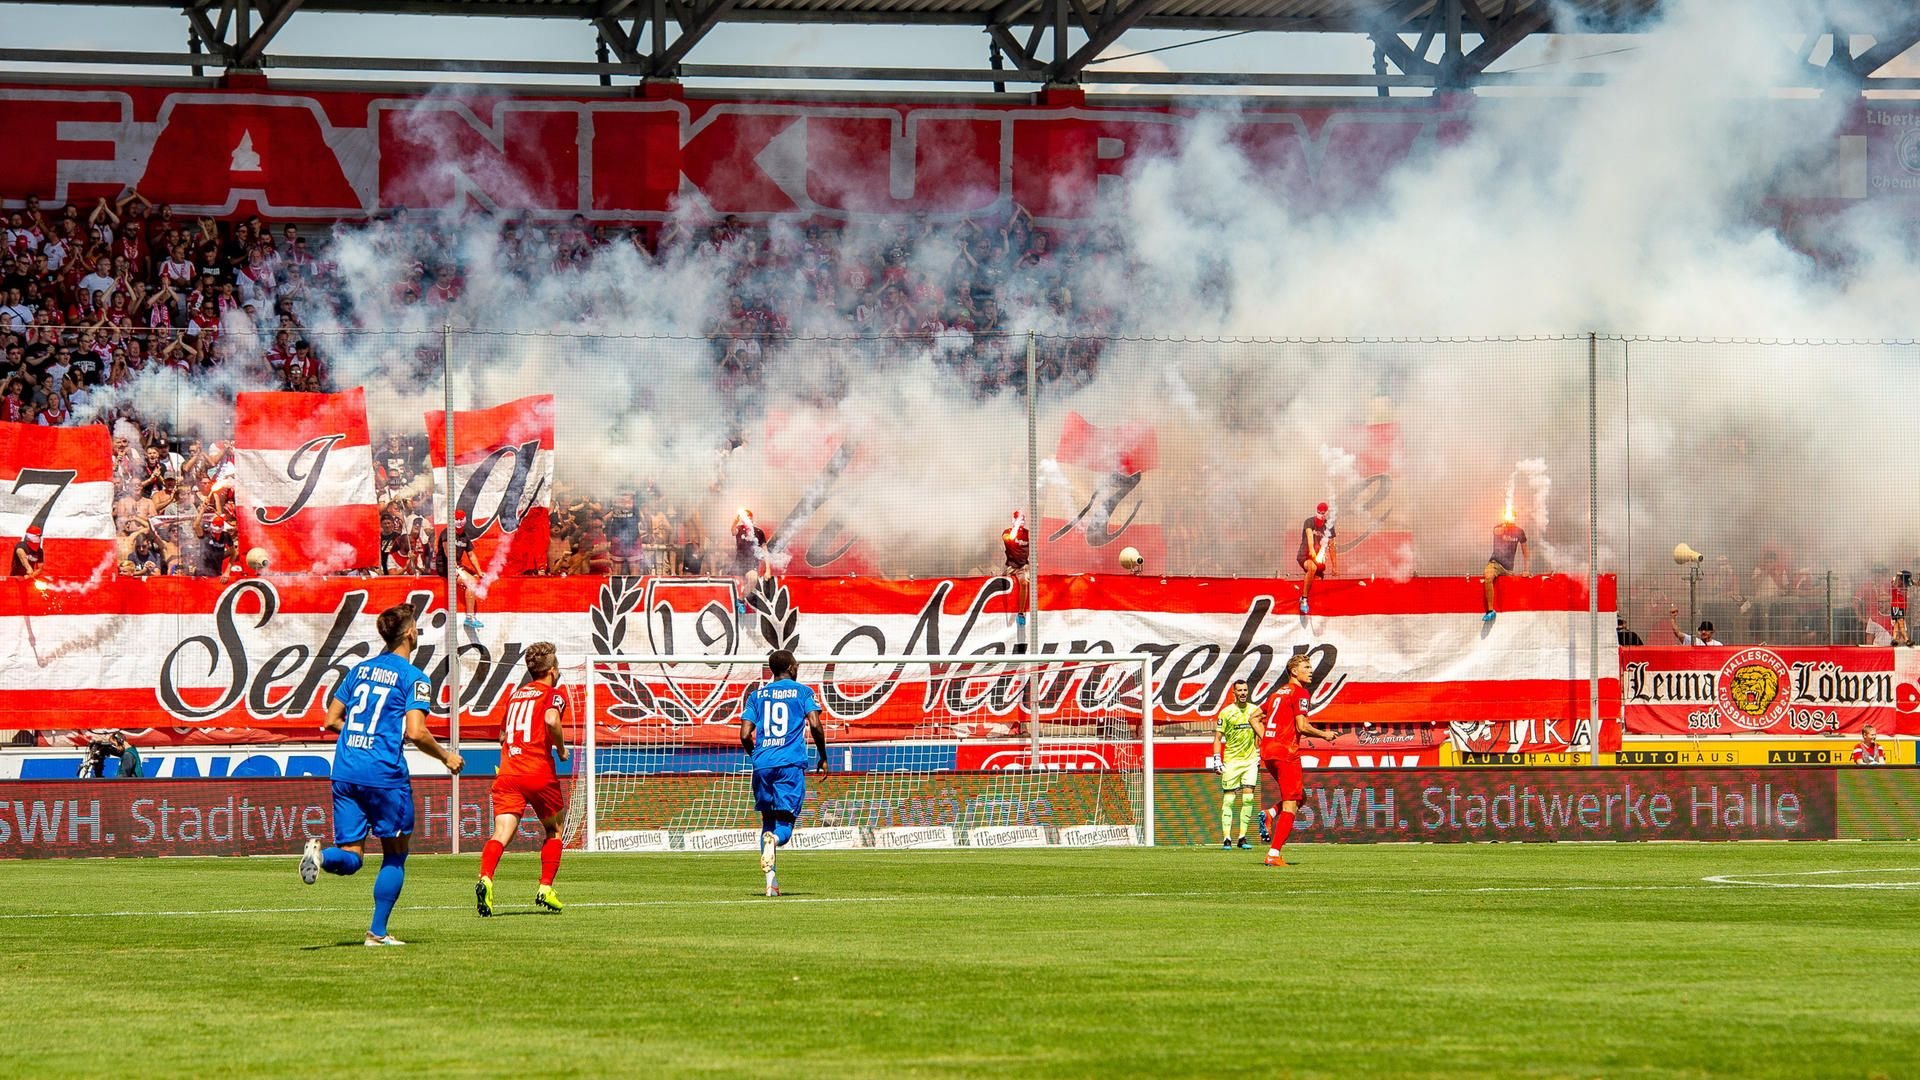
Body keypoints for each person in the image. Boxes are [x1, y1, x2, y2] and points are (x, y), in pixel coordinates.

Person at [299, 603, 464, 947]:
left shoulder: (359, 670)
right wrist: (446, 756)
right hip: (383, 774)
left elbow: (331, 720)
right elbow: (417, 733)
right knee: (395, 854)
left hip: (344, 769)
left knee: (352, 857)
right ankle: (376, 932)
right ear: (408, 633)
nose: (417, 631)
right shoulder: (414, 678)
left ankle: (321, 855)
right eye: (416, 627)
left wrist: (363, 734)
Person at [476, 642, 570, 917]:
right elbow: (552, 720)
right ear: (552, 670)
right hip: (537, 771)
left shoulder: (515, 695)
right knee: (554, 830)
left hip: (508, 773)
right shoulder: (553, 694)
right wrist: (561, 749)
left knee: (501, 834)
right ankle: (545, 888)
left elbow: (503, 736)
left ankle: (486, 879)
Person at [739, 649, 828, 897]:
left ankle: (771, 883)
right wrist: (822, 756)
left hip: (763, 764)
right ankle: (775, 841)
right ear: (790, 667)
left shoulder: (756, 696)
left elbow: (745, 734)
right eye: (796, 664)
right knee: (784, 826)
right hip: (790, 764)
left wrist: (756, 756)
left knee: (767, 823)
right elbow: (815, 724)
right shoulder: (802, 692)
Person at [1259, 652, 1340, 868]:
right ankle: (1273, 854)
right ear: (1294, 671)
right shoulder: (1300, 692)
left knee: (1298, 796)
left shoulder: (1277, 694)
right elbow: (1301, 726)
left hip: (1268, 751)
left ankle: (1269, 813)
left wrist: (1267, 737)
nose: (1311, 671)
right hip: (1286, 752)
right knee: (1291, 804)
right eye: (1306, 667)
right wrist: (1325, 735)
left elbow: (1254, 717)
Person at [1209, 679, 1262, 850]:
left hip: (1250, 760)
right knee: (1229, 800)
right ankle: (1226, 838)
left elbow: (1259, 733)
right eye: (1239, 690)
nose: (1243, 693)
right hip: (1231, 760)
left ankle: (1242, 837)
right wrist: (1216, 758)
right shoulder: (1226, 713)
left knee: (1248, 798)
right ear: (1234, 693)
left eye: (1245, 690)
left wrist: (1259, 751)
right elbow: (1217, 738)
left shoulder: (1255, 710)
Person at [1482, 511, 1529, 623]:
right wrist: (1505, 525)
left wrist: (1526, 569)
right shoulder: (1499, 528)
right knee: (1488, 578)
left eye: (1512, 516)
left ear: (1515, 518)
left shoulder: (1520, 532)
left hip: (1508, 568)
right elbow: (1497, 531)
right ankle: (1490, 611)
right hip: (1495, 564)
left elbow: (1525, 552)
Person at [1296, 502, 1334, 615]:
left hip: (1319, 560)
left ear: (1326, 513)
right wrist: (1311, 549)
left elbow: (1332, 546)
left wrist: (1335, 567)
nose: (1321, 515)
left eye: (1323, 513)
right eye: (1319, 512)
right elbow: (1309, 536)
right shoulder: (1309, 521)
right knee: (1311, 567)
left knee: (1317, 574)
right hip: (1305, 555)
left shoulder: (1329, 526)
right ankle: (1304, 599)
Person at [1891, 571, 1912, 648]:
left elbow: (1916, 584)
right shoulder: (1894, 580)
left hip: (1903, 606)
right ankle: (1907, 640)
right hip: (1896, 605)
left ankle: (1894, 639)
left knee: (1897, 623)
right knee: (1900, 622)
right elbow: (1894, 586)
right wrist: (1897, 575)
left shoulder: (1905, 582)